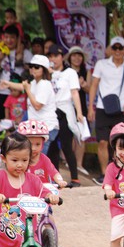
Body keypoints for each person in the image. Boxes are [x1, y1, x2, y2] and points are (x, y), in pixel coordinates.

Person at [15, 119, 72, 247]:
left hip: (43, 199)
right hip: (25, 200)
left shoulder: (44, 159)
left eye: (37, 144)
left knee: (49, 220)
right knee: (22, 224)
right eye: (30, 144)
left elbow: (54, 172)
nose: (34, 148)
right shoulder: (21, 161)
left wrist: (59, 181)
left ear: (43, 143)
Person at [88, 36, 124, 185]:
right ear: (110, 49)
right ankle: (104, 174)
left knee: (119, 143)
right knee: (102, 142)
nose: (117, 51)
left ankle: (118, 172)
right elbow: (94, 85)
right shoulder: (101, 64)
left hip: (121, 110)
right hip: (103, 108)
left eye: (120, 48)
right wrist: (91, 107)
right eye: (114, 48)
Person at [0, 55, 59, 153]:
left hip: (47, 127)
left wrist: (27, 90)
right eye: (31, 66)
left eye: (36, 67)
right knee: (38, 159)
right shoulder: (35, 83)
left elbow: (37, 106)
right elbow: (22, 86)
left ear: (43, 69)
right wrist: (8, 84)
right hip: (37, 128)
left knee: (37, 160)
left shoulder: (45, 84)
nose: (33, 69)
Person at [46, 44, 84, 187]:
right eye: (51, 56)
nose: (53, 59)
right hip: (50, 111)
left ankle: (75, 178)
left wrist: (79, 112)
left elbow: (74, 92)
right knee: (52, 146)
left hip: (65, 110)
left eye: (56, 56)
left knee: (66, 145)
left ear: (62, 57)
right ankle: (56, 178)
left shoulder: (70, 73)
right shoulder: (46, 73)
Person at [0, 24, 32, 121]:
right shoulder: (0, 53)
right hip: (3, 90)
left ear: (17, 39)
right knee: (4, 120)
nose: (9, 40)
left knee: (21, 118)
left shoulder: (26, 53)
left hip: (20, 91)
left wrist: (21, 60)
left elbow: (32, 70)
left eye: (12, 37)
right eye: (6, 37)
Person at [66, 46, 91, 175]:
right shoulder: (65, 72)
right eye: (74, 55)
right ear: (69, 58)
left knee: (81, 135)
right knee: (69, 134)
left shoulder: (86, 72)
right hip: (67, 106)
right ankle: (68, 161)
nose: (77, 58)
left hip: (81, 106)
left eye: (79, 55)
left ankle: (79, 163)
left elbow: (91, 90)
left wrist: (85, 85)